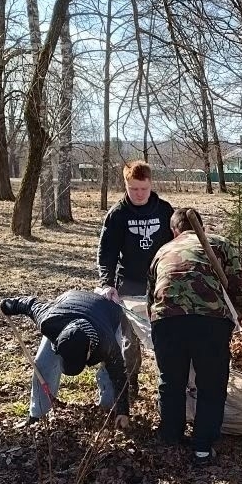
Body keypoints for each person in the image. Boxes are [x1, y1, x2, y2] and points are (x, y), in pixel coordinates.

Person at [147, 208, 242, 462]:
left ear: (174, 230)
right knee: (211, 384)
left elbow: (150, 294)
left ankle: (170, 441)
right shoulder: (218, 244)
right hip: (210, 322)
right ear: (203, 228)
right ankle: (202, 447)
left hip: (166, 320)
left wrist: (157, 330)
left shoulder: (163, 251)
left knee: (171, 382)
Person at [96, 160, 173, 401]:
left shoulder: (164, 210)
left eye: (143, 189)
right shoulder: (118, 215)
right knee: (130, 343)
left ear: (151, 184)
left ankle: (170, 386)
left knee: (165, 338)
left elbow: (176, 244)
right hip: (128, 286)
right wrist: (107, 283)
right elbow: (106, 253)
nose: (139, 194)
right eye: (133, 189)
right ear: (126, 185)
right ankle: (128, 387)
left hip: (161, 284)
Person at [0, 290, 130, 428]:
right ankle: (37, 416)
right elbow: (29, 304)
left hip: (107, 312)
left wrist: (123, 411)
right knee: (43, 364)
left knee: (109, 372)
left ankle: (108, 411)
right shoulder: (49, 320)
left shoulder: (107, 344)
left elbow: (119, 373)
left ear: (89, 352)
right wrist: (6, 305)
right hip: (67, 305)